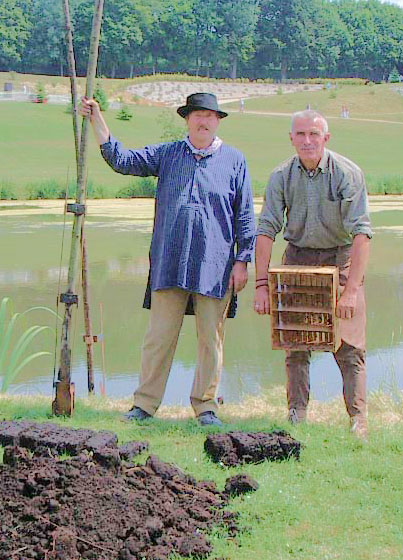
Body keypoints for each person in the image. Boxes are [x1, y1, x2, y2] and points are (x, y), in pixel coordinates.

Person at [80, 92, 255, 426]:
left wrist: (242, 261)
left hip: (215, 266)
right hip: (169, 261)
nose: (203, 121)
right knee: (158, 339)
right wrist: (96, 119)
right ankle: (144, 405)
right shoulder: (167, 154)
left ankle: (205, 407)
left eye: (210, 116)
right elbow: (123, 160)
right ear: (187, 119)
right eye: (197, 115)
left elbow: (244, 215)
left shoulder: (235, 161)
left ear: (218, 121)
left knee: (211, 341)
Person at [254, 110, 372, 439]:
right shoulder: (280, 176)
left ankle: (358, 419)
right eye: (301, 134)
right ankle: (297, 414)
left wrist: (351, 291)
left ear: (325, 138)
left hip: (340, 257)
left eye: (314, 134)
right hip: (298, 256)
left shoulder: (347, 173)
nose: (307, 141)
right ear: (291, 138)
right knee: (295, 342)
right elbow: (266, 230)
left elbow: (362, 233)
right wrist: (262, 285)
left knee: (349, 345)